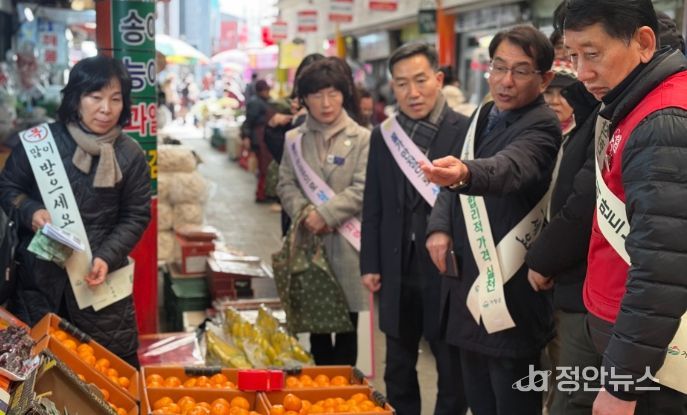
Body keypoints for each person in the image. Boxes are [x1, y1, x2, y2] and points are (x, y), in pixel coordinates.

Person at [421, 25, 560, 414]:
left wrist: (466, 173)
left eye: (521, 70)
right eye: (498, 67)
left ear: (545, 79)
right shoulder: (483, 114)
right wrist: (439, 226)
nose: (505, 81)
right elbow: (451, 179)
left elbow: (509, 168)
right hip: (469, 286)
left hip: (511, 293)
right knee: (478, 398)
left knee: (513, 401)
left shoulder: (543, 124)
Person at [557, 0, 687, 413]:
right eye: (573, 56)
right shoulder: (631, 103)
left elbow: (661, 267)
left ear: (644, 43)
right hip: (629, 336)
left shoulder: (663, 121)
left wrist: (622, 384)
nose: (581, 72)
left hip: (654, 359)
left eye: (592, 54)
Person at [0, 55, 151, 367]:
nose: (106, 109)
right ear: (76, 98)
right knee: (39, 374)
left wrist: (107, 256)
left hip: (100, 285)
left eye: (115, 99)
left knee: (110, 373)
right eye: (95, 97)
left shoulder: (131, 154)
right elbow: (8, 188)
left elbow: (136, 214)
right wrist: (31, 210)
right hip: (39, 284)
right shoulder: (41, 144)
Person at [360, 42, 469, 415]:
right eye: (402, 83)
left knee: (451, 365)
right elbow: (373, 203)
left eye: (421, 80)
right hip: (396, 265)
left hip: (446, 266)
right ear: (393, 87)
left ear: (438, 79)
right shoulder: (383, 135)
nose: (413, 92)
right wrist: (370, 263)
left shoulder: (464, 130)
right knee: (398, 365)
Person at [276, 57, 370, 365]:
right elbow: (285, 184)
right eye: (316, 95)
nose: (326, 103)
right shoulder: (294, 140)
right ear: (304, 99)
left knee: (348, 330)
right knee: (316, 330)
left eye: (333, 93)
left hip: (348, 246)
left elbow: (363, 187)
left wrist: (325, 215)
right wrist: (306, 214)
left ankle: (344, 387)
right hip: (309, 245)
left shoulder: (363, 138)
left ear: (344, 94)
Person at [525, 59, 601, 414]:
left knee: (570, 383)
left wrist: (545, 258)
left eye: (563, 93)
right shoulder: (551, 134)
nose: (556, 101)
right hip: (553, 265)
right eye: (550, 93)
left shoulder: (592, 128)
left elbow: (580, 206)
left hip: (573, 274)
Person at [265, 53, 325, 236]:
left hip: (330, 212)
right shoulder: (292, 115)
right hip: (296, 212)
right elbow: (283, 160)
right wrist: (276, 126)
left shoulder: (346, 124)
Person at [242, 79, 273, 203]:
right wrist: (246, 136)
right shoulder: (255, 103)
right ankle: (261, 194)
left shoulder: (261, 101)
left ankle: (263, 193)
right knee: (263, 167)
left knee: (264, 167)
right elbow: (249, 121)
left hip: (262, 137)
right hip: (259, 138)